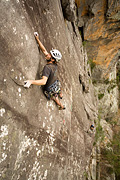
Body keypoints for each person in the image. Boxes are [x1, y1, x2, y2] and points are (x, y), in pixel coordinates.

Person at [24, 32, 65, 110]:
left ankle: (61, 106)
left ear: (52, 59)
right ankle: (61, 95)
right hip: (55, 83)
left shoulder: (47, 68)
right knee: (58, 90)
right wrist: (37, 39)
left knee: (56, 98)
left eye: (50, 55)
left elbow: (43, 82)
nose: (48, 54)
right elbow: (44, 51)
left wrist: (30, 81)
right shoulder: (55, 64)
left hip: (50, 88)